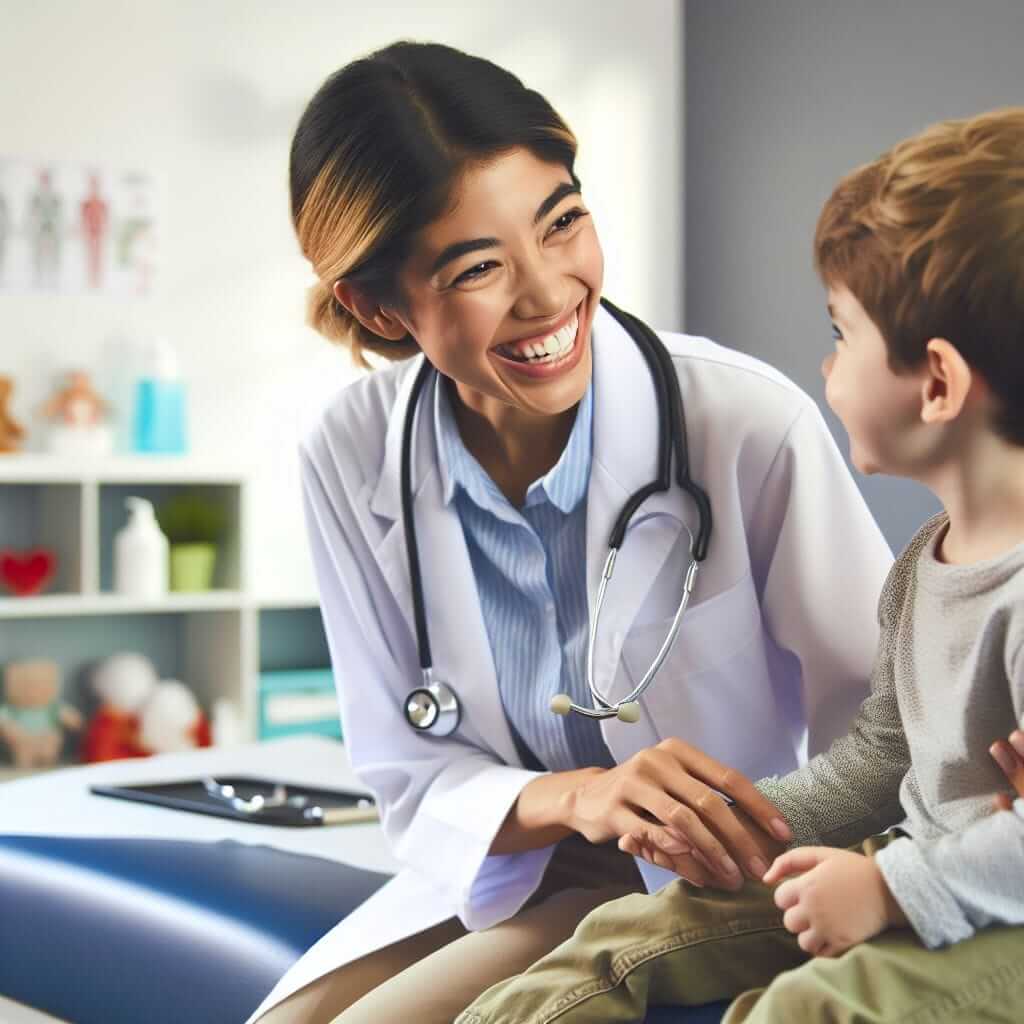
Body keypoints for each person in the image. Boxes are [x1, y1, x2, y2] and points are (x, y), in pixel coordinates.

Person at [252, 41, 893, 1024]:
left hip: (718, 880)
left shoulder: (742, 424)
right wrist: (584, 795)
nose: (549, 293)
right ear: (377, 303)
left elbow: (886, 723)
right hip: (508, 871)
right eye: (477, 266)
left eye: (562, 223)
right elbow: (408, 775)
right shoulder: (351, 453)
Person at [458, 106, 1024, 1024]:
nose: (826, 361)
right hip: (926, 864)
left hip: (1005, 919)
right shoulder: (927, 562)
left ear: (938, 383)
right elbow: (885, 754)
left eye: (843, 334)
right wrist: (739, 826)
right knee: (616, 941)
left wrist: (891, 891)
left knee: (804, 1009)